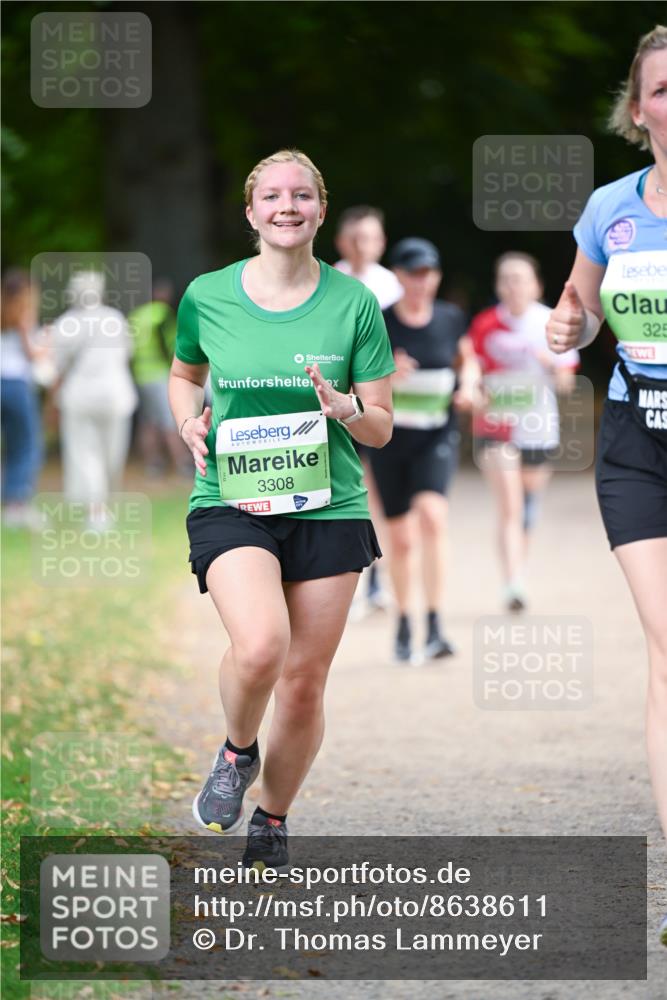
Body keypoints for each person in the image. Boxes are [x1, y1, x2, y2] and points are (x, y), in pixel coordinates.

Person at [169, 149, 394, 872]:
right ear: (250, 212)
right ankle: (237, 749)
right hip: (233, 499)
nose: (287, 206)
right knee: (261, 646)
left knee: (302, 683)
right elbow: (184, 373)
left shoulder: (353, 302)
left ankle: (272, 816)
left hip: (330, 505)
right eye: (272, 196)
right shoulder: (208, 295)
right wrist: (186, 421)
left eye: (301, 195)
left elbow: (383, 423)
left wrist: (347, 406)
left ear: (320, 210)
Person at [546, 25, 667, 945]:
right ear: (638, 110)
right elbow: (579, 312)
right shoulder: (610, 209)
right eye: (660, 89)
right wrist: (567, 327)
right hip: (636, 442)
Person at [369, 238, 480, 663]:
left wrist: (469, 384)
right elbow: (357, 380)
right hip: (391, 441)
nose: (422, 281)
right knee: (400, 539)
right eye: (413, 273)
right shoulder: (381, 322)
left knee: (433, 518)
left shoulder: (451, 318)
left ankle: (434, 624)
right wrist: (387, 376)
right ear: (398, 275)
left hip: (436, 436)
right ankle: (403, 620)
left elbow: (467, 359)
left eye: (428, 273)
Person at [468, 252, 579, 612]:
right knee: (511, 506)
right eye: (506, 279)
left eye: (521, 278)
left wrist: (550, 365)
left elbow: (566, 384)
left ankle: (518, 573)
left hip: (538, 428)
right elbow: (472, 370)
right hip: (496, 427)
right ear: (498, 285)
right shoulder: (485, 324)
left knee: (528, 509)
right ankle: (513, 584)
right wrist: (474, 389)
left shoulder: (551, 323)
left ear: (537, 285)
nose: (513, 286)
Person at [334, 206, 403, 614]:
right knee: (346, 490)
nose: (364, 245)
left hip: (376, 405)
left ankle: (376, 580)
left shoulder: (391, 286)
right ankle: (348, 580)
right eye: (357, 238)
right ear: (343, 242)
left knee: (378, 495)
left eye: (372, 238)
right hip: (337, 405)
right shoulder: (328, 281)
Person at [52, 271, 137, 529]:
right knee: (110, 453)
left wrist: (51, 401)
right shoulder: (115, 318)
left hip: (83, 397)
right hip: (116, 396)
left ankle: (97, 510)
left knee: (87, 454)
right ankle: (99, 509)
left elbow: (55, 367)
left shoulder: (67, 323)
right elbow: (127, 354)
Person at [128, 279, 190, 477]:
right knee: (169, 421)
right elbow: (172, 347)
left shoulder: (136, 316)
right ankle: (183, 465)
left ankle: (153, 465)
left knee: (148, 422)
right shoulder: (163, 314)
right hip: (160, 374)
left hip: (140, 376)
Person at [1, 269, 45, 530]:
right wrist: (48, 343)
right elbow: (32, 354)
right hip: (16, 384)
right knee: (26, 444)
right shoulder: (23, 314)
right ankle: (16, 504)